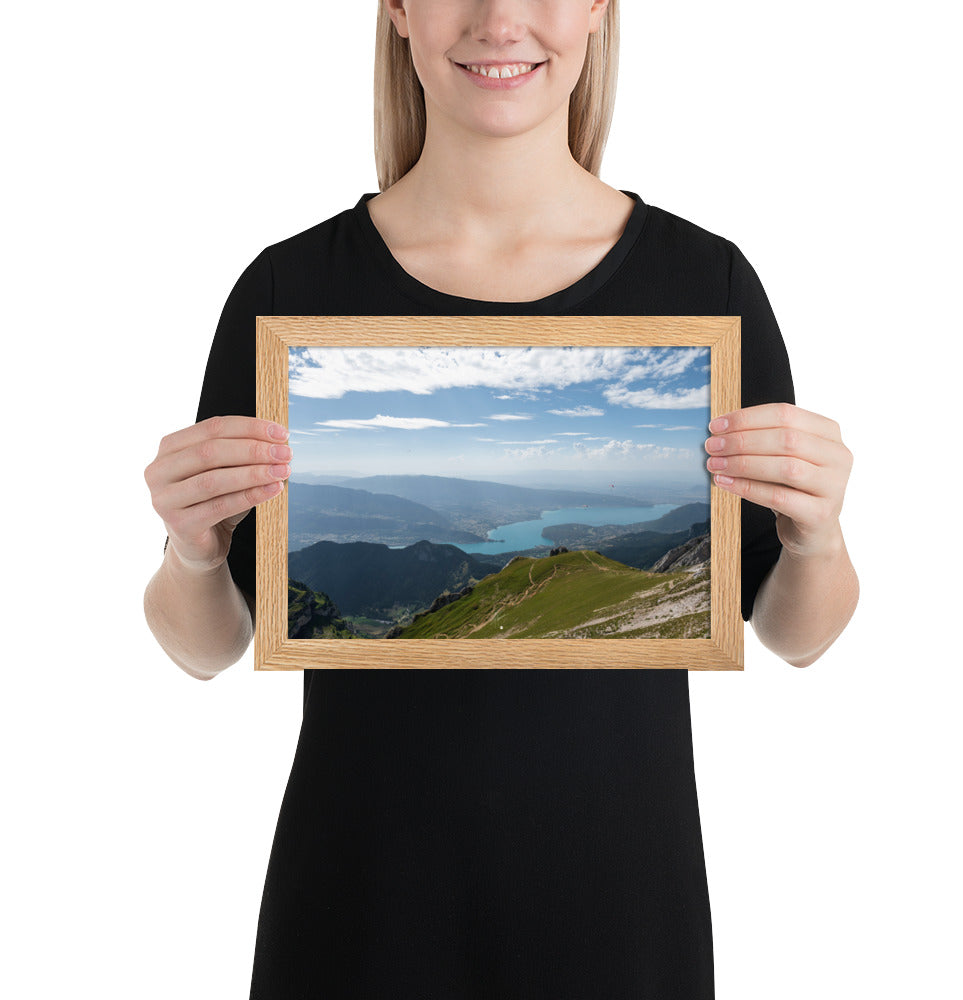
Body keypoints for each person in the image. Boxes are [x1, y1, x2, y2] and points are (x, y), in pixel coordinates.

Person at [144, 1, 859, 996]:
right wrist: (188, 549)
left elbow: (797, 632)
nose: (499, 17)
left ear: (601, 9)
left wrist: (816, 535)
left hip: (620, 913)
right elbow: (204, 645)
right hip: (360, 910)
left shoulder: (705, 283)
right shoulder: (288, 286)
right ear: (397, 9)